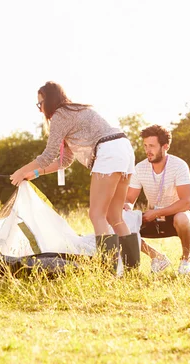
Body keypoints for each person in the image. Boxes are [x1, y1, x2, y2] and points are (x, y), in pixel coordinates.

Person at [9, 81, 139, 272]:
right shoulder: (74, 112)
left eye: (40, 104)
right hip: (124, 148)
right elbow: (64, 161)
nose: (40, 109)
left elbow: (48, 155)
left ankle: (109, 272)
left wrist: (20, 172)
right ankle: (132, 270)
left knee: (97, 214)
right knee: (114, 215)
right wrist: (34, 173)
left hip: (108, 151)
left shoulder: (60, 115)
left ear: (49, 100)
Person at [124, 125, 190, 274]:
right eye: (145, 146)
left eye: (152, 146)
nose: (147, 150)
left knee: (182, 218)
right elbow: (130, 198)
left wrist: (157, 213)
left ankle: (185, 260)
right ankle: (157, 257)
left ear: (165, 146)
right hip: (154, 217)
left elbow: (186, 202)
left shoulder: (179, 165)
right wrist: (126, 207)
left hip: (178, 213)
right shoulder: (140, 168)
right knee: (120, 220)